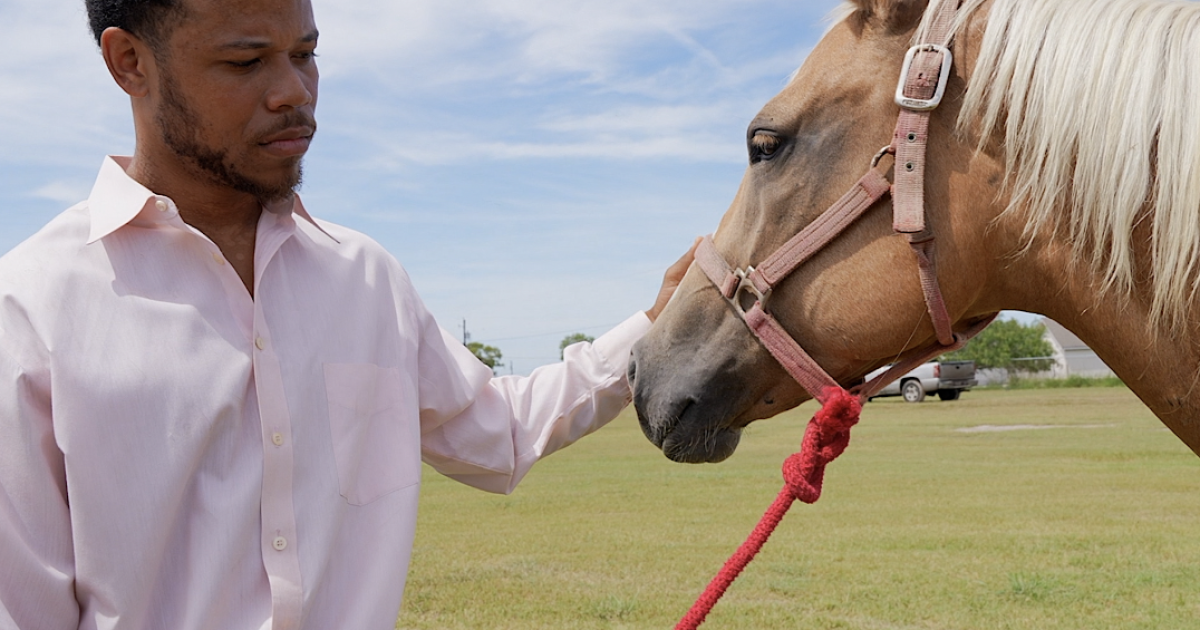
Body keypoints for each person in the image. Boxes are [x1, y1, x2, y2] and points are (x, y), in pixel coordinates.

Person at [0, 0, 696, 628]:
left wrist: (658, 324)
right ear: (130, 62)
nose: (294, 92)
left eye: (305, 54)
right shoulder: (30, 309)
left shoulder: (366, 278)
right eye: (245, 61)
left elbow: (499, 435)